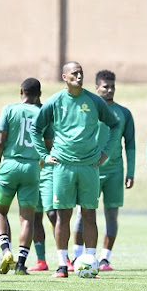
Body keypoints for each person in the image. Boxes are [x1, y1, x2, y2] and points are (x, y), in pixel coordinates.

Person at [29, 61, 120, 278]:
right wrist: (44, 154)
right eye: (74, 73)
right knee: (63, 215)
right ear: (64, 77)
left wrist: (105, 152)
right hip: (63, 166)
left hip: (89, 166)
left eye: (81, 73)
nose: (79, 77)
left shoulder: (94, 100)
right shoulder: (56, 101)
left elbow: (114, 125)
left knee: (89, 214)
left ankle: (91, 262)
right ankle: (62, 264)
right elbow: (36, 127)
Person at [70, 70, 135, 271]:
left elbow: (130, 144)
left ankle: (105, 258)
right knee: (83, 214)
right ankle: (77, 257)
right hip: (90, 169)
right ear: (96, 87)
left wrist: (130, 172)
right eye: (105, 86)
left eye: (112, 86)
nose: (109, 90)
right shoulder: (87, 109)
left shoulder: (123, 113)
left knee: (111, 215)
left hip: (115, 171)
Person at [0, 78, 46, 275]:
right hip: (31, 167)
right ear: (39, 94)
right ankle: (21, 264)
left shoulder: (10, 109)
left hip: (10, 165)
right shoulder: (42, 113)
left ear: (21, 90)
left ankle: (6, 250)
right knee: (27, 219)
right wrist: (40, 161)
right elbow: (48, 143)